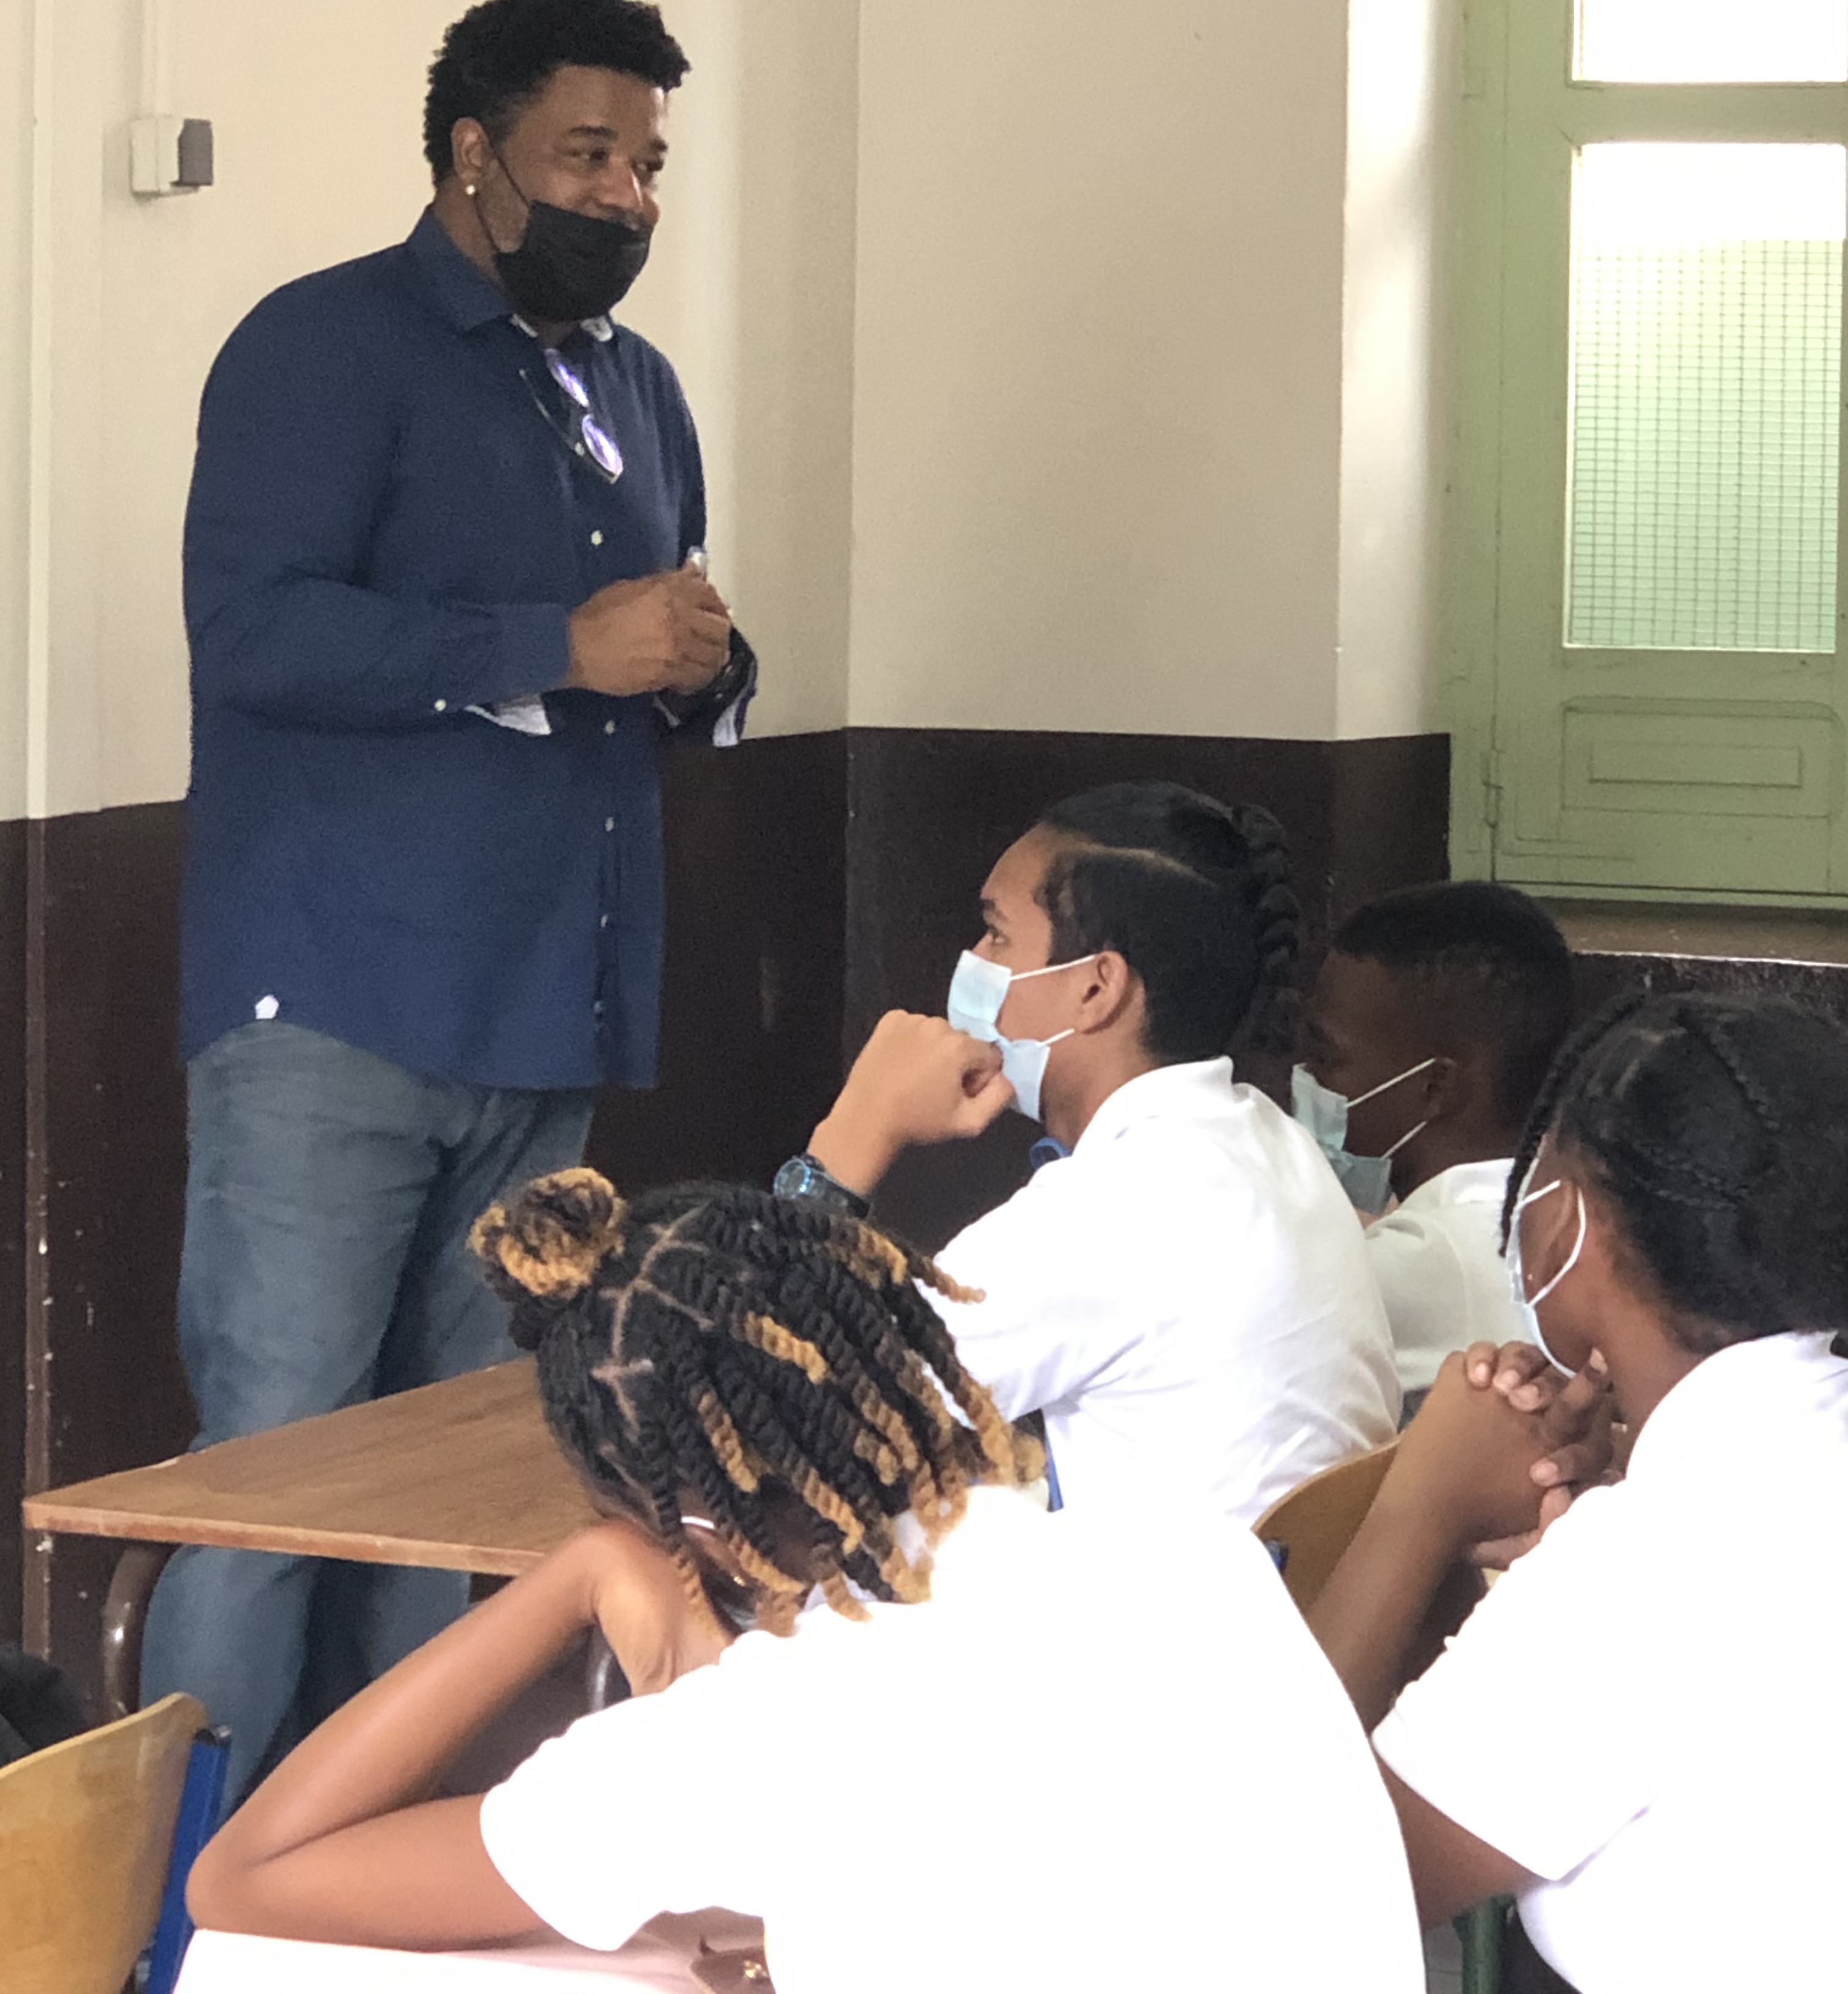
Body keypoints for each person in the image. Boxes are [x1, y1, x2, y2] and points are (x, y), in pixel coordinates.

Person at [144, 0, 746, 1800]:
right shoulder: (322, 347)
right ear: (474, 156)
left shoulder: (635, 387)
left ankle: (380, 1871)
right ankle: (180, 1901)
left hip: (543, 1012)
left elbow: (650, 647)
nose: (627, 197)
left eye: (649, 166)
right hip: (334, 1011)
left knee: (458, 1477)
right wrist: (557, 641)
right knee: (274, 1475)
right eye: (589, 156)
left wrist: (699, 665)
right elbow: (256, 633)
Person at [187, 1171, 1424, 1994]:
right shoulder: (1184, 1552)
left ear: (682, 1519)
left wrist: (579, 1575)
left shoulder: (756, 1734)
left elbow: (246, 1879)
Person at [1307, 991, 1848, 1993]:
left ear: (1562, 1221)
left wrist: (1421, 1503)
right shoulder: (1754, 1480)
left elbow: (1294, 1887)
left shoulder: (1647, 1563)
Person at [780, 781, 1401, 1522]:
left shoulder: (1113, 1212)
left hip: (1172, 1596)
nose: (972, 960)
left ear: (1096, 989)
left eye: (997, 936)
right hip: (1272, 1587)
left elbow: (786, 1406)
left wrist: (857, 1131)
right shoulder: (1270, 1143)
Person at [1293, 881, 1575, 1400]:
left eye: (1327, 1059)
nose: (1307, 1079)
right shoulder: (1547, 1208)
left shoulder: (1417, 1263)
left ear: (1436, 1088)